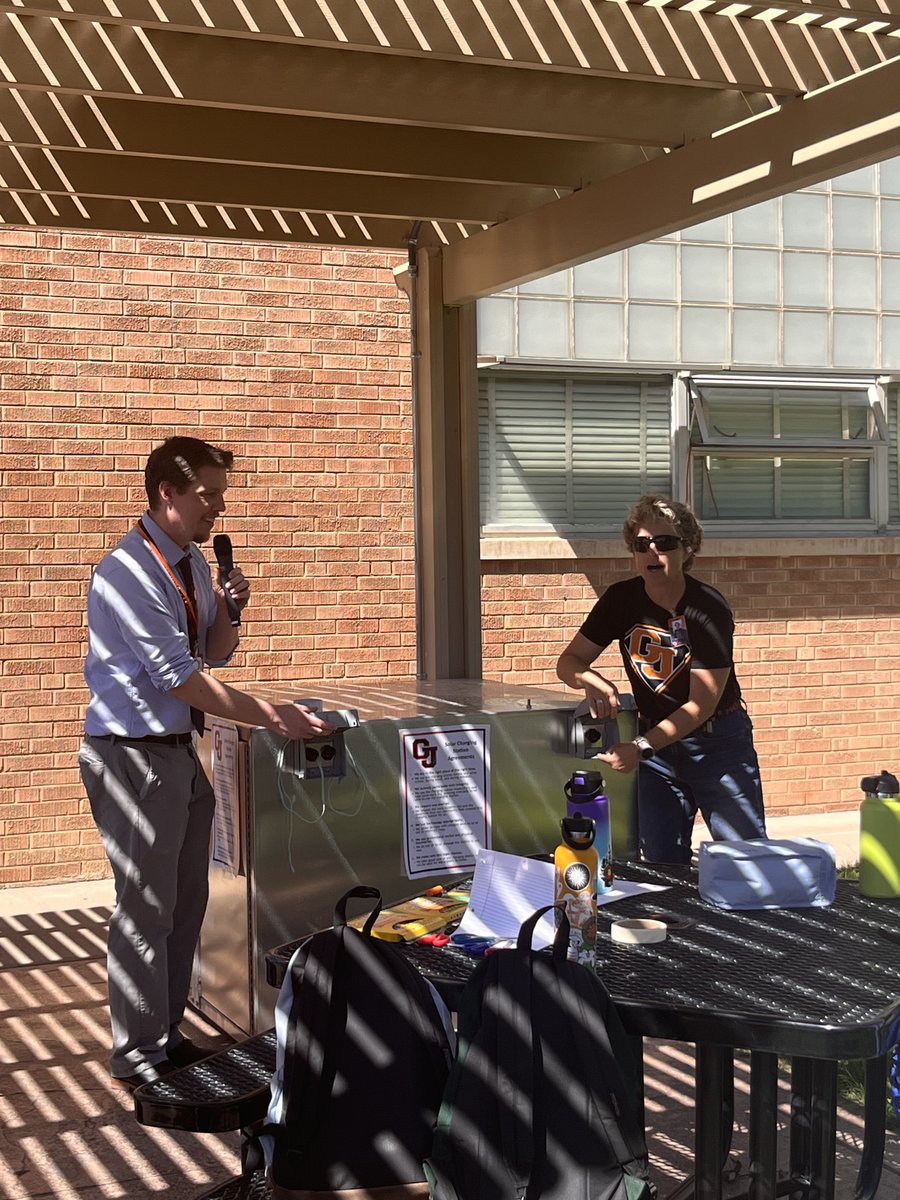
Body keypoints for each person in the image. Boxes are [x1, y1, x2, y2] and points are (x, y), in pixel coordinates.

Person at [79, 436, 332, 1089]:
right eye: (208, 494)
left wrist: (230, 608)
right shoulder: (128, 570)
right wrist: (271, 715)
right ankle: (137, 1055)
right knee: (146, 906)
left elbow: (214, 654)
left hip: (177, 752)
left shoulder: (189, 561)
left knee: (186, 900)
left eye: (220, 494)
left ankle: (164, 1036)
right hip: (131, 756)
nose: (218, 507)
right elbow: (178, 679)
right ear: (168, 491)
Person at [556, 494, 765, 865]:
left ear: (688, 549)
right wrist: (588, 678)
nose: (652, 551)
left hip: (718, 745)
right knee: (662, 866)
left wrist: (638, 748)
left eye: (665, 542)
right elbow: (568, 662)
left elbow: (701, 705)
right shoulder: (621, 599)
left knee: (746, 862)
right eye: (642, 544)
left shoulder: (707, 608)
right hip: (658, 754)